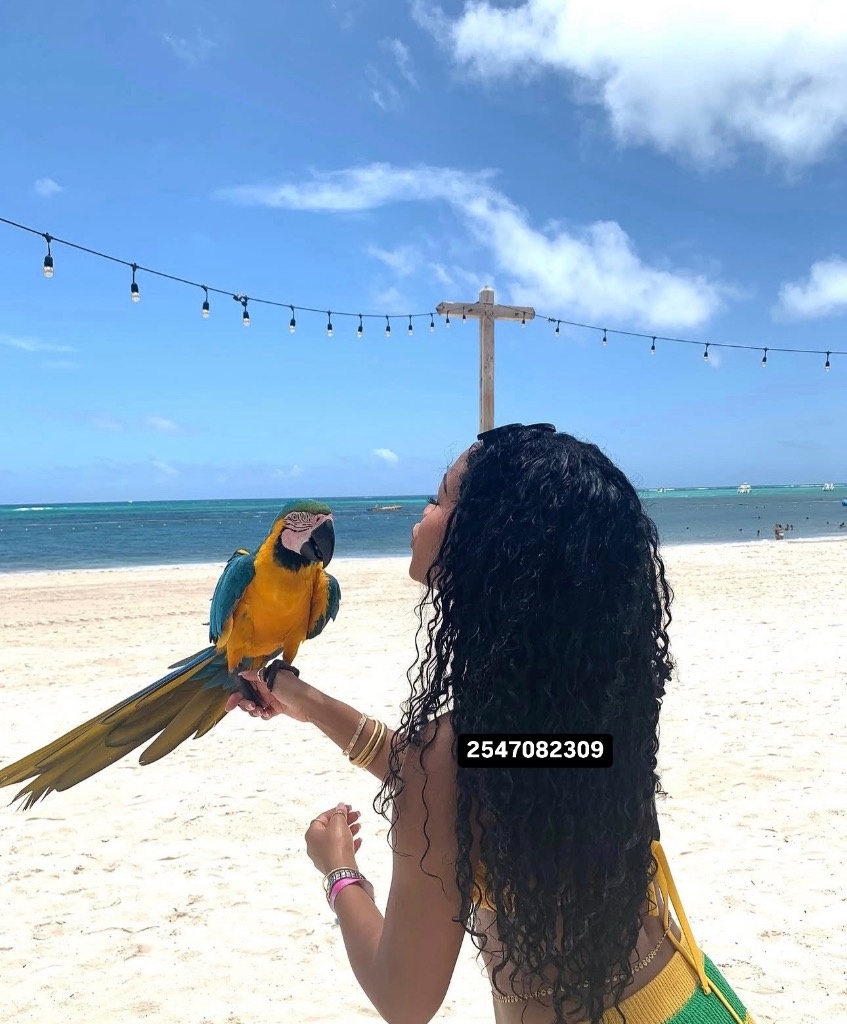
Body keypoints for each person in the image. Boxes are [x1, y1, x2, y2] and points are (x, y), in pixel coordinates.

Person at [227, 423, 755, 1024]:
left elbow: (404, 998)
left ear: (489, 540)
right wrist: (307, 701)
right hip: (692, 998)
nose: (423, 513)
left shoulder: (456, 750)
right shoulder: (592, 698)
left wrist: (340, 872)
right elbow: (479, 772)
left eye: (439, 499)